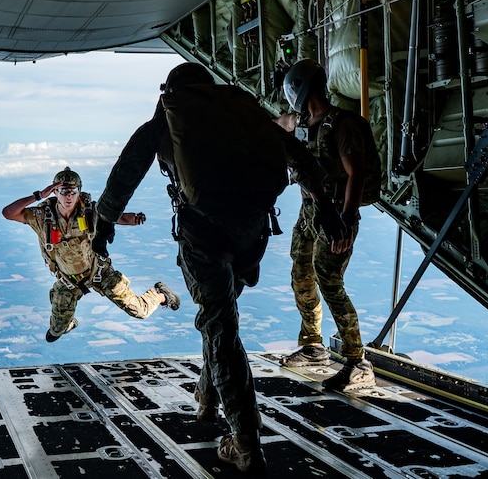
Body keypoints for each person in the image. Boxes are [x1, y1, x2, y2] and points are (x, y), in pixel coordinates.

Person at [94, 62, 346, 474]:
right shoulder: (242, 112)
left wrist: (104, 225)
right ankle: (208, 398)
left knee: (221, 326)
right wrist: (329, 214)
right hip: (252, 234)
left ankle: (245, 442)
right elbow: (300, 158)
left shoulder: (170, 115)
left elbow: (126, 172)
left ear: (171, 91)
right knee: (220, 318)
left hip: (204, 235)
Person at [277, 58, 377, 393]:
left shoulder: (342, 126)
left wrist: (345, 222)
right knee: (301, 274)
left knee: (329, 281)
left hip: (335, 215)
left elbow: (356, 175)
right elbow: (282, 123)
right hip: (309, 212)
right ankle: (313, 346)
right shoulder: (305, 122)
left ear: (298, 91)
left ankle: (357, 362)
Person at [1, 166, 181, 342]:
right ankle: (68, 323)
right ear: (55, 192)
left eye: (73, 191)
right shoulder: (42, 217)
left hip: (99, 273)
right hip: (68, 280)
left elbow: (115, 217)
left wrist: (134, 219)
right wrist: (39, 195)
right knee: (56, 332)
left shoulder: (89, 212)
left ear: (79, 191)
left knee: (140, 311)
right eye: (63, 191)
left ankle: (160, 294)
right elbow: (8, 213)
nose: (69, 196)